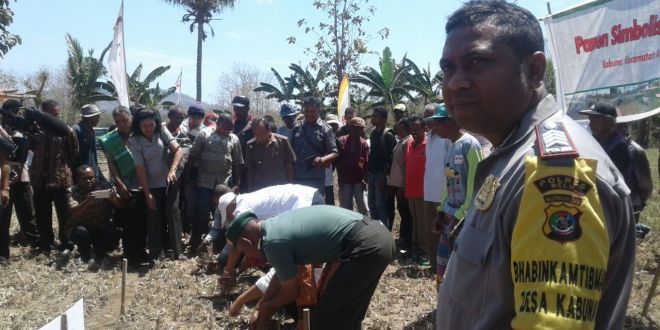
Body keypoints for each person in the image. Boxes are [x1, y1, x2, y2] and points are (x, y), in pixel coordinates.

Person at [436, 1, 635, 329]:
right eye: (448, 68)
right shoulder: (511, 154)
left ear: (534, 70)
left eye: (477, 62)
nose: (455, 83)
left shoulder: (555, 171)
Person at [225, 205, 395, 329]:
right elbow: (280, 276)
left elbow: (291, 292)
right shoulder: (275, 227)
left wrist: (267, 305)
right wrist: (263, 304)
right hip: (378, 237)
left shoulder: (272, 243)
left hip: (366, 246)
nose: (247, 258)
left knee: (325, 319)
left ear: (247, 243)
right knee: (347, 315)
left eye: (243, 252)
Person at [204, 183, 325, 279]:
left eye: (229, 215)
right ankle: (314, 285)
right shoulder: (247, 199)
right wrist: (239, 269)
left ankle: (309, 290)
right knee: (311, 255)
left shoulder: (241, 210)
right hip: (310, 196)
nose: (231, 217)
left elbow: (236, 245)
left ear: (231, 206)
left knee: (302, 255)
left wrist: (228, 270)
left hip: (304, 203)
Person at [429, 105, 482, 284]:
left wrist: (460, 216)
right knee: (444, 268)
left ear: (451, 121)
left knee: (461, 272)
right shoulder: (451, 146)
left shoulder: (470, 145)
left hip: (462, 220)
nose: (435, 129)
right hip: (449, 217)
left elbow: (477, 184)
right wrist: (441, 211)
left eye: (438, 124)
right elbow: (449, 183)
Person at [129, 109, 184, 263]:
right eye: (145, 126)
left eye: (151, 125)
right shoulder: (135, 141)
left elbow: (178, 150)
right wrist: (147, 194)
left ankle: (177, 252)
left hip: (170, 180)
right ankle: (155, 254)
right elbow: (139, 169)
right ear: (138, 125)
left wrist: (172, 170)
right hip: (151, 183)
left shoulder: (161, 130)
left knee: (172, 213)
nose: (149, 129)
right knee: (154, 216)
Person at [99, 106, 148, 266]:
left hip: (145, 183)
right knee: (129, 221)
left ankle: (141, 252)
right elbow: (111, 163)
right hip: (126, 185)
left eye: (125, 120)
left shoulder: (140, 134)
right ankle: (130, 255)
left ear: (131, 119)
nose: (122, 124)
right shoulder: (110, 140)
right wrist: (119, 183)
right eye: (118, 122)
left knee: (143, 221)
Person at [188, 112, 243, 253]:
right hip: (204, 181)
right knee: (202, 212)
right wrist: (187, 177)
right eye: (225, 129)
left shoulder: (234, 139)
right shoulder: (204, 134)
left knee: (223, 215)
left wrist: (237, 183)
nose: (227, 132)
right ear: (218, 124)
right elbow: (193, 155)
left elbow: (237, 162)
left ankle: (219, 246)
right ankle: (196, 243)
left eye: (230, 129)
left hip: (224, 184)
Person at [30, 99, 79, 253]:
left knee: (64, 214)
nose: (54, 119)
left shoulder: (67, 131)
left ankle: (66, 243)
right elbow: (31, 148)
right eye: (50, 116)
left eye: (56, 115)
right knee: (42, 213)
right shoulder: (34, 130)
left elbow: (74, 152)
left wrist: (61, 166)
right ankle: (46, 243)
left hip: (60, 179)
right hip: (39, 179)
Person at [63, 165, 123, 269]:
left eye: (91, 178)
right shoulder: (72, 191)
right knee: (80, 232)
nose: (88, 181)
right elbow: (74, 212)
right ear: (78, 180)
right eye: (84, 179)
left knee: (112, 233)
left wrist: (113, 199)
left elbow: (120, 205)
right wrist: (87, 202)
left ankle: (100, 252)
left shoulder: (104, 187)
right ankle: (85, 254)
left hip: (101, 227)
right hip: (84, 228)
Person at [0, 99, 38, 246]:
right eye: (17, 111)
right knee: (6, 211)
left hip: (20, 175)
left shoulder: (21, 129)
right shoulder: (3, 129)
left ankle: (32, 238)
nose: (19, 114)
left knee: (27, 210)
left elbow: (24, 155)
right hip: (5, 177)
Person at [291, 96, 338, 197]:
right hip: (298, 176)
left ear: (318, 110)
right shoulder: (296, 127)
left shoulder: (326, 129)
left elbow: (335, 153)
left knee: (315, 208)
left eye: (312, 111)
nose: (309, 114)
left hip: (316, 177)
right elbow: (289, 151)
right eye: (306, 111)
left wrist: (322, 159)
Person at [422, 104, 451, 266]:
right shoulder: (430, 137)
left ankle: (442, 265)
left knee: (442, 232)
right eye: (426, 119)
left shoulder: (446, 138)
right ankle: (433, 263)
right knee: (429, 232)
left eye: (431, 118)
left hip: (442, 194)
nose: (428, 122)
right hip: (429, 192)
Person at [579, 102, 632, 185]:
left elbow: (609, 178)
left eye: (595, 119)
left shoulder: (619, 146)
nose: (590, 124)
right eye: (590, 119)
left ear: (609, 121)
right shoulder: (595, 139)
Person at [403, 114, 430, 262]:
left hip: (424, 190)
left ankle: (426, 252)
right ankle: (416, 249)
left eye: (417, 129)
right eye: (411, 129)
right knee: (415, 222)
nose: (414, 132)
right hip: (410, 189)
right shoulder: (409, 142)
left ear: (424, 128)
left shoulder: (429, 143)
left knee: (423, 223)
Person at [245, 117, 295, 192]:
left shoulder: (283, 142)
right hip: (260, 189)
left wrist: (290, 187)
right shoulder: (251, 145)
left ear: (269, 130)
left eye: (262, 134)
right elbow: (251, 169)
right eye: (257, 135)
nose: (260, 138)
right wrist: (250, 189)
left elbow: (289, 165)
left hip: (281, 189)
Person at [617, 123, 653, 222]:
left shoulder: (635, 151)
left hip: (631, 206)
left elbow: (646, 185)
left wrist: (639, 202)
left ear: (623, 129)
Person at [180, 103, 207, 233]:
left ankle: (192, 226)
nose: (196, 119)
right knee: (181, 198)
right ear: (189, 115)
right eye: (193, 116)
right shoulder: (181, 126)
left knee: (193, 199)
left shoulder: (205, 131)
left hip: (196, 170)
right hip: (178, 167)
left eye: (199, 117)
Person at [367, 106, 397, 228]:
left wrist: (383, 177)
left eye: (375, 116)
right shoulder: (373, 133)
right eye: (372, 116)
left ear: (383, 119)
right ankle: (376, 233)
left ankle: (384, 234)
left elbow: (391, 159)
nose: (372, 119)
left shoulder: (388, 135)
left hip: (381, 176)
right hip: (372, 174)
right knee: (372, 205)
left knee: (382, 207)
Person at [388, 117, 413, 249]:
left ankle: (406, 240)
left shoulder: (407, 141)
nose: (396, 127)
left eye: (399, 126)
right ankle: (403, 238)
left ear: (404, 127)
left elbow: (406, 165)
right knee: (402, 211)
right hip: (398, 183)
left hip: (402, 184)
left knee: (406, 213)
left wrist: (403, 185)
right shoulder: (401, 141)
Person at [336, 117, 369, 215]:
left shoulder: (364, 144)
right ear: (350, 128)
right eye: (355, 128)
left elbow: (367, 163)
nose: (358, 130)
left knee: (363, 208)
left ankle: (365, 228)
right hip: (345, 180)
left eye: (360, 128)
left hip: (359, 181)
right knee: (346, 209)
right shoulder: (342, 140)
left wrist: (365, 179)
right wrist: (340, 178)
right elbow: (338, 162)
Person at [72, 104, 103, 181]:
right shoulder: (76, 130)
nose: (98, 119)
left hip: (92, 173)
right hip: (82, 176)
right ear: (90, 118)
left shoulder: (92, 131)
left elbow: (93, 156)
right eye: (97, 117)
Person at [232, 95, 253, 193]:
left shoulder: (254, 126)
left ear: (247, 108)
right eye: (235, 108)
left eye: (240, 108)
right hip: (231, 170)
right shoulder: (230, 125)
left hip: (249, 170)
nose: (237, 111)